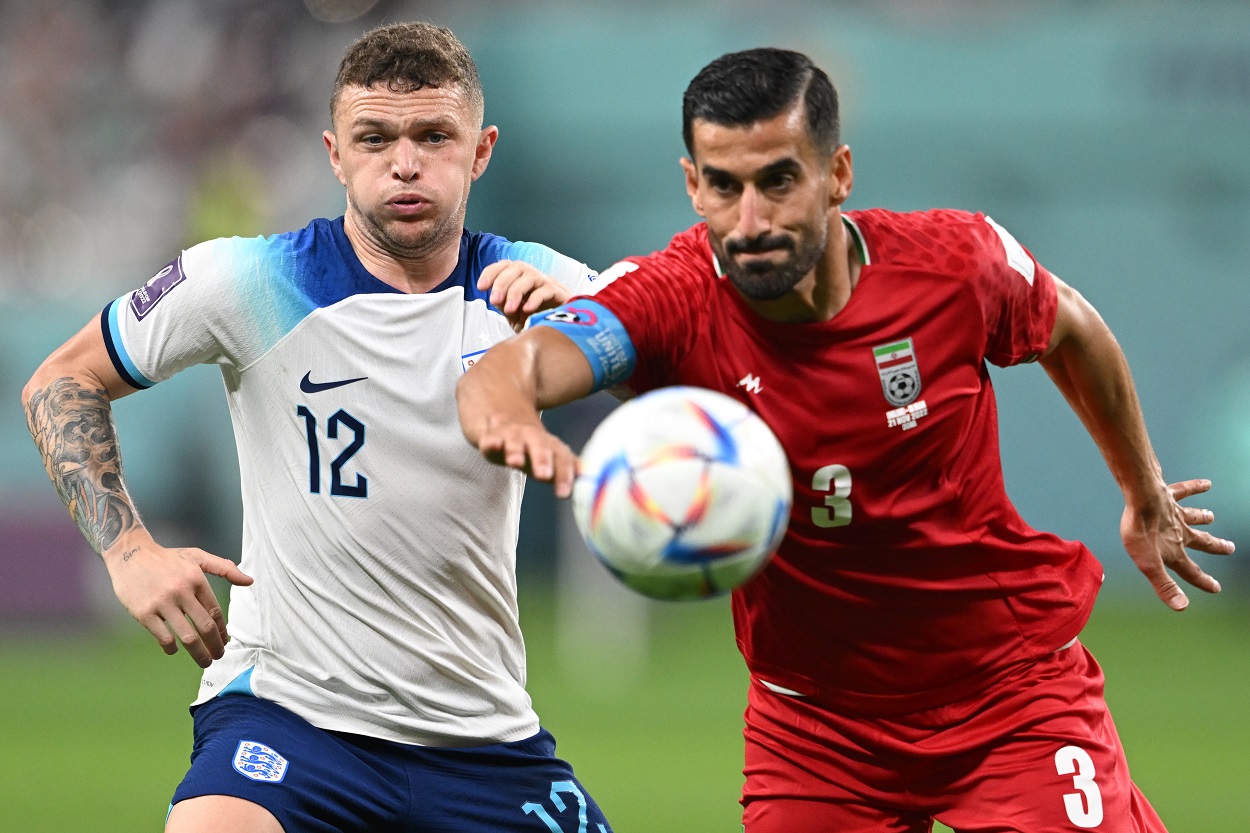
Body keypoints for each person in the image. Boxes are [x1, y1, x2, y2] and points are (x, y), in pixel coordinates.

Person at [456, 47, 1236, 832]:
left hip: (1011, 695)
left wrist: (1142, 491)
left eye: (778, 181)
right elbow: (511, 367)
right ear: (693, 184)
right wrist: (514, 414)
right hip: (817, 733)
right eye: (724, 187)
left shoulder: (954, 265)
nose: (751, 220)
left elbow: (1072, 327)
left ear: (838, 174)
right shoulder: (671, 296)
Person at [23, 22, 613, 833]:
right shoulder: (249, 279)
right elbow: (61, 378)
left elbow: (689, 370)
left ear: (481, 151)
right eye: (376, 138)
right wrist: (128, 551)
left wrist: (589, 335)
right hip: (290, 719)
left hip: (485, 738)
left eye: (434, 136)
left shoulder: (541, 284)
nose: (404, 162)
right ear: (335, 154)